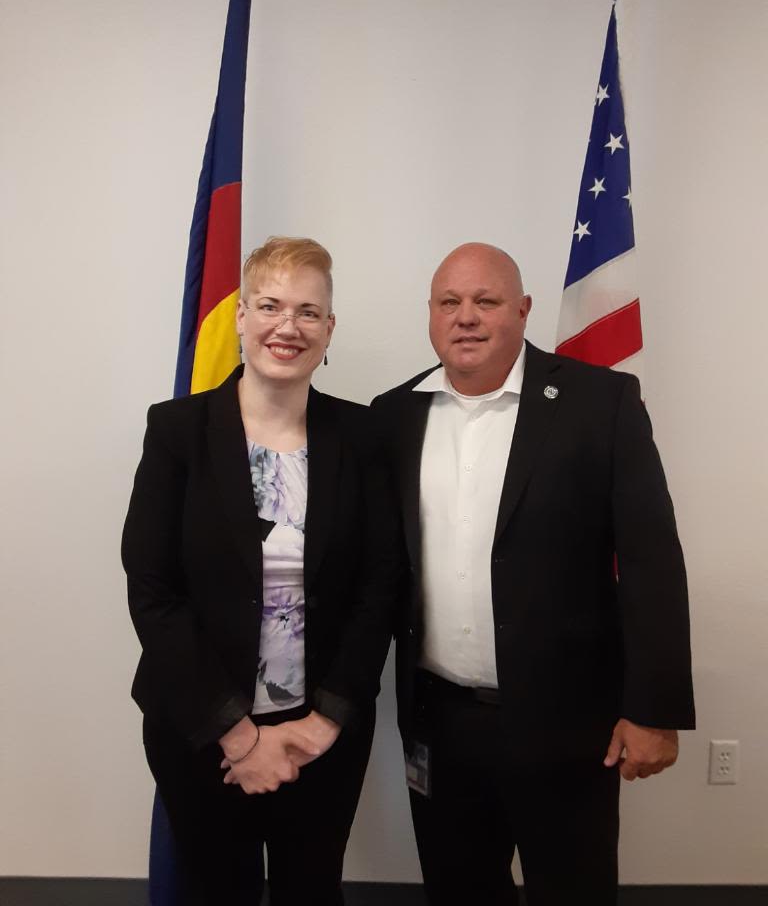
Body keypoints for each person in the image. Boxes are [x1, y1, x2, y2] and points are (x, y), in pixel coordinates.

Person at [370, 242, 695, 906]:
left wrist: (654, 710)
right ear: (429, 315)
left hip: (568, 727)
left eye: (486, 301)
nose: (466, 317)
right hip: (440, 722)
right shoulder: (392, 416)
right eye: (449, 303)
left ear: (522, 310)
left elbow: (650, 559)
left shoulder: (599, 404)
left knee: (572, 892)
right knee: (460, 893)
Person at [122, 237, 399, 906]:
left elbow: (382, 584)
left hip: (322, 735)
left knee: (312, 890)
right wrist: (238, 736)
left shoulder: (362, 438)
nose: (288, 326)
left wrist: (325, 720)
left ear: (329, 330)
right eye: (271, 305)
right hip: (202, 730)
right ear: (241, 316)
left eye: (309, 311)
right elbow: (152, 590)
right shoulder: (177, 431)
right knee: (216, 891)